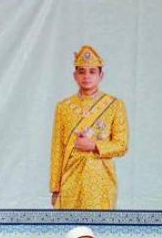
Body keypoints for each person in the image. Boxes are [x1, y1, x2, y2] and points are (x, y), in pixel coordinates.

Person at [49, 45, 130, 210]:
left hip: (100, 178)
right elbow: (57, 149)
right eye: (81, 71)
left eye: (92, 72)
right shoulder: (64, 107)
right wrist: (55, 188)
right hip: (70, 177)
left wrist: (93, 146)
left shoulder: (115, 105)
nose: (86, 76)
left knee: (97, 232)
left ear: (101, 75)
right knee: (69, 230)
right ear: (75, 75)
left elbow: (122, 145)